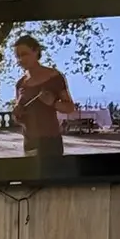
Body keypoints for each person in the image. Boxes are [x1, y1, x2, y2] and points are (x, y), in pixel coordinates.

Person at [11, 33, 77, 169]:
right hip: (30, 142)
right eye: (18, 56)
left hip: (50, 142)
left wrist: (53, 103)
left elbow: (70, 108)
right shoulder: (20, 84)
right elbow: (18, 118)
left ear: (36, 51)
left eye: (24, 54)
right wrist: (17, 114)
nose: (21, 59)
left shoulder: (54, 77)